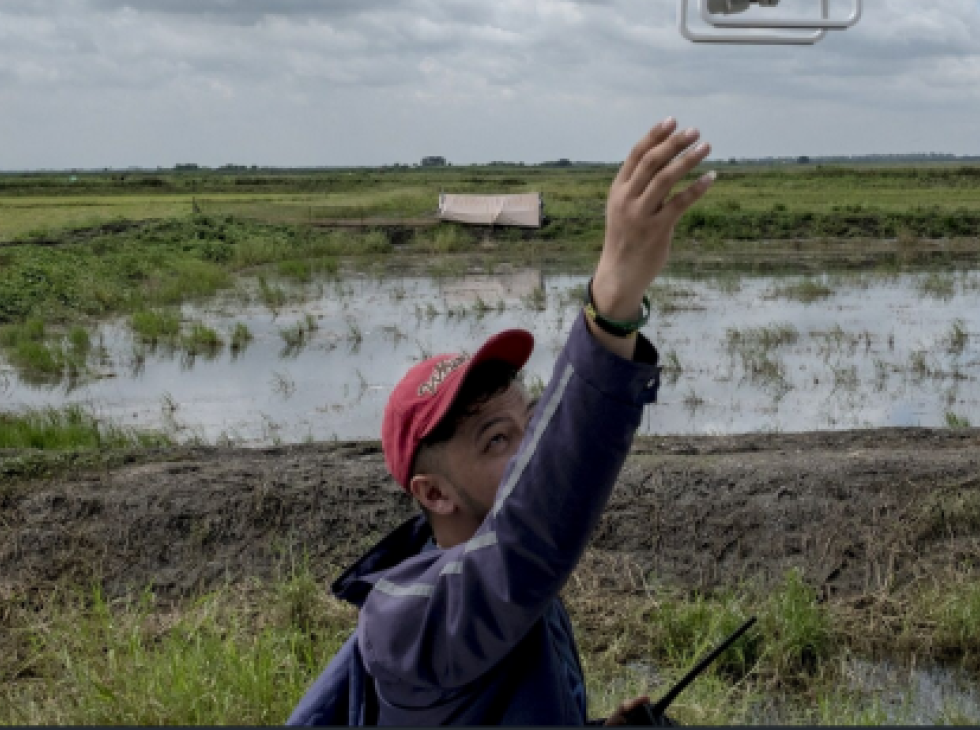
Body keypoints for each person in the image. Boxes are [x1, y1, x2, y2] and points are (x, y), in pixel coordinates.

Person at [287, 118, 715, 726]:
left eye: (528, 424)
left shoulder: (510, 599)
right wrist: (612, 305)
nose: (529, 450)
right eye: (496, 440)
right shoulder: (411, 616)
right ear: (433, 493)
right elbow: (527, 538)